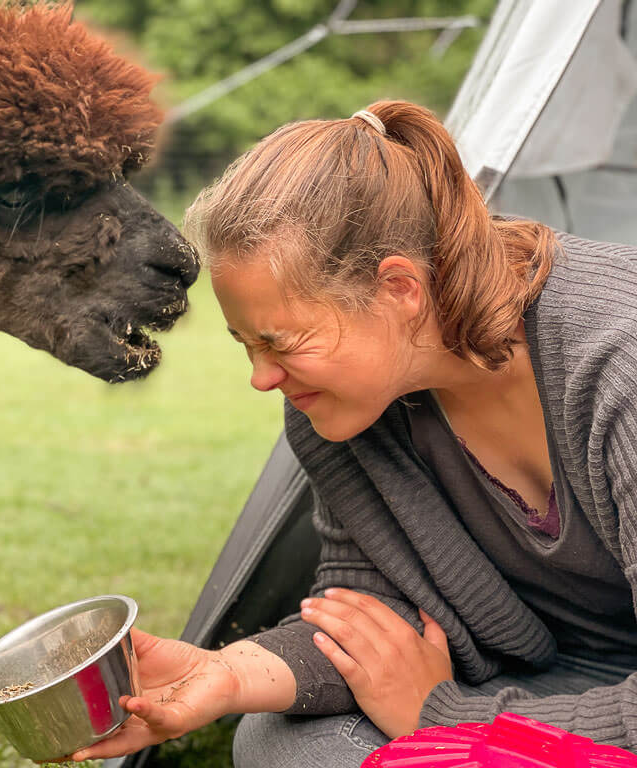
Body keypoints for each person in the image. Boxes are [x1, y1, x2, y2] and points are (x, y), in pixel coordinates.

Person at [67, 100, 637, 767]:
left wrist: (446, 719)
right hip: (555, 689)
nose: (262, 377)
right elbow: (367, 620)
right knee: (284, 739)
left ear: (400, 289)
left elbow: (424, 700)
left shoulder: (617, 359)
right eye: (246, 344)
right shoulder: (342, 405)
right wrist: (229, 675)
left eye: (281, 341)